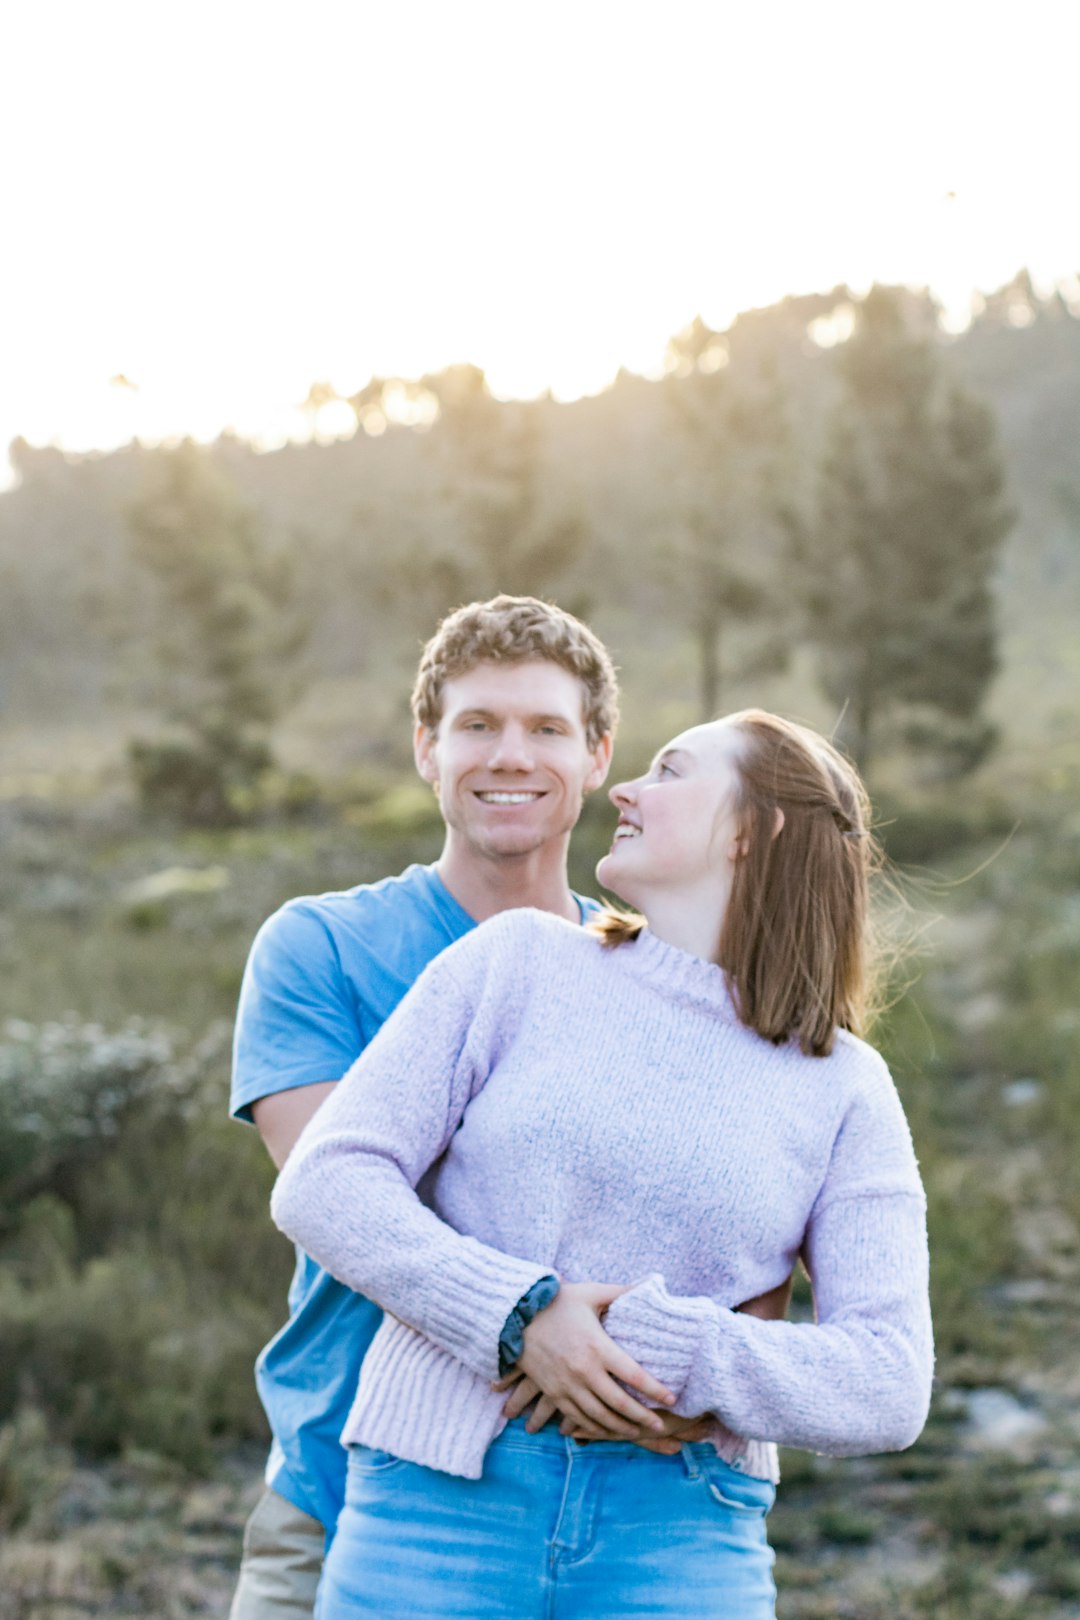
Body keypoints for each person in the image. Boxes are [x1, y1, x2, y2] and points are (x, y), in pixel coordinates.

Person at [272, 708, 934, 1620]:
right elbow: (327, 1179)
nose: (623, 788)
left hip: (681, 1533)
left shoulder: (846, 1087)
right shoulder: (516, 961)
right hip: (434, 1509)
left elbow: (888, 1381)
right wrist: (522, 1317)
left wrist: (676, 1352)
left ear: (754, 830)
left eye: (669, 772)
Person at [229, 595, 741, 1619]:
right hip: (339, 1496)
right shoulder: (320, 948)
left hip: (612, 1521)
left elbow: (722, 1220)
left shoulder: (669, 973)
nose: (511, 755)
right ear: (427, 748)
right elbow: (345, 1201)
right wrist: (530, 1320)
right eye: (477, 725)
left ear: (599, 756)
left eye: (547, 728)